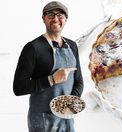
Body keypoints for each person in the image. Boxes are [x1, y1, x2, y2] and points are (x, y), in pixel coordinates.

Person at [13, 1, 83, 132]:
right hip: (42, 121)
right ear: (43, 19)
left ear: (66, 19)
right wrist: (52, 79)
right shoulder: (33, 48)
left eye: (60, 15)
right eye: (50, 15)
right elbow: (18, 88)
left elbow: (78, 81)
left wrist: (68, 106)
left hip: (67, 119)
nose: (56, 19)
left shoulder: (72, 46)